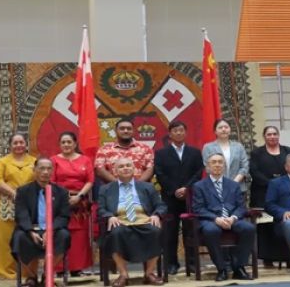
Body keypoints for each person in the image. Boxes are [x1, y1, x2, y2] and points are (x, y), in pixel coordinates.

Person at [98, 158, 166, 287]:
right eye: (121, 166)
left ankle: (149, 273)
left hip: (143, 219)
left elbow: (160, 206)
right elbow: (101, 208)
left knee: (156, 231)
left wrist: (156, 215)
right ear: (115, 171)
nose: (125, 168)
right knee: (115, 233)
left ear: (134, 169)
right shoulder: (106, 189)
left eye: (128, 165)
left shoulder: (147, 187)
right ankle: (123, 275)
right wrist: (109, 216)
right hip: (120, 220)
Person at [192, 154, 255, 282]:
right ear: (207, 167)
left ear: (224, 166)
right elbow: (198, 208)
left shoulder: (233, 185)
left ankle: (239, 267)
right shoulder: (199, 186)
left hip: (232, 219)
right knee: (211, 230)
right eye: (213, 162)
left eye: (220, 162)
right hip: (211, 220)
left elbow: (241, 207)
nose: (217, 165)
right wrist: (216, 219)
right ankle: (222, 269)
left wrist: (233, 218)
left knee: (248, 228)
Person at [153, 121, 204, 275]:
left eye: (181, 130)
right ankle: (171, 264)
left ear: (185, 133)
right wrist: (174, 190)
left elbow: (198, 172)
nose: (179, 133)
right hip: (170, 198)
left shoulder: (194, 152)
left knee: (190, 232)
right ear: (170, 134)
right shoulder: (161, 153)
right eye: (175, 131)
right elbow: (160, 174)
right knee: (170, 233)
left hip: (190, 197)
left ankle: (192, 263)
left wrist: (186, 189)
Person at [12, 158, 71, 287]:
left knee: (64, 236)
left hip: (53, 230)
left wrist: (51, 231)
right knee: (19, 237)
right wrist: (30, 231)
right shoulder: (23, 191)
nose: (45, 172)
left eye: (49, 169)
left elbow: (64, 216)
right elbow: (21, 214)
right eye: (42, 168)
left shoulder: (61, 192)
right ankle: (31, 276)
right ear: (34, 170)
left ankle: (47, 274)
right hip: (31, 229)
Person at [0, 133, 37, 279]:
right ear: (10, 145)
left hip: (30, 203)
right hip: (7, 204)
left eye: (21, 142)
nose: (18, 145)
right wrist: (14, 194)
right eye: (15, 143)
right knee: (5, 239)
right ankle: (6, 272)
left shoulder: (34, 161)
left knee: (27, 237)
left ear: (26, 144)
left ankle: (27, 272)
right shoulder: (2, 162)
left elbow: (40, 179)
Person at [49, 131, 94, 277]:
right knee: (62, 233)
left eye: (69, 142)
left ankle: (77, 268)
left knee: (79, 237)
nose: (66, 145)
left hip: (80, 203)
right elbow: (52, 182)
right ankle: (60, 269)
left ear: (75, 143)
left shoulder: (85, 160)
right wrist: (64, 197)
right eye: (63, 142)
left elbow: (90, 181)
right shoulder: (54, 160)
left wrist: (79, 196)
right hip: (60, 202)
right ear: (59, 145)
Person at [249, 125, 290, 267]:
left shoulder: (289, 151)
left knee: (285, 223)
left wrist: (280, 185)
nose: (272, 136)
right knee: (266, 226)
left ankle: (288, 257)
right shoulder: (257, 153)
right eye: (269, 134)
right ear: (264, 136)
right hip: (262, 193)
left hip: (285, 194)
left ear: (278, 135)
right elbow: (254, 172)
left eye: (275, 134)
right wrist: (272, 184)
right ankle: (267, 258)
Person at [95, 118, 155, 183]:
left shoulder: (145, 149)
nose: (126, 131)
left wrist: (136, 186)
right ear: (116, 131)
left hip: (140, 189)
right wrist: (119, 185)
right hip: (113, 189)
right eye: (122, 128)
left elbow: (150, 169)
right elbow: (100, 169)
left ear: (133, 131)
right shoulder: (104, 150)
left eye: (129, 129)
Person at [201, 119, 250, 195]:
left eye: (226, 127)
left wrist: (233, 183)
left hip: (237, 187)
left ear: (230, 130)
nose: (223, 129)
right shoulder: (208, 147)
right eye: (220, 127)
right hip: (216, 188)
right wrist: (222, 184)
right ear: (215, 131)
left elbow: (244, 167)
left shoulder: (238, 146)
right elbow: (207, 167)